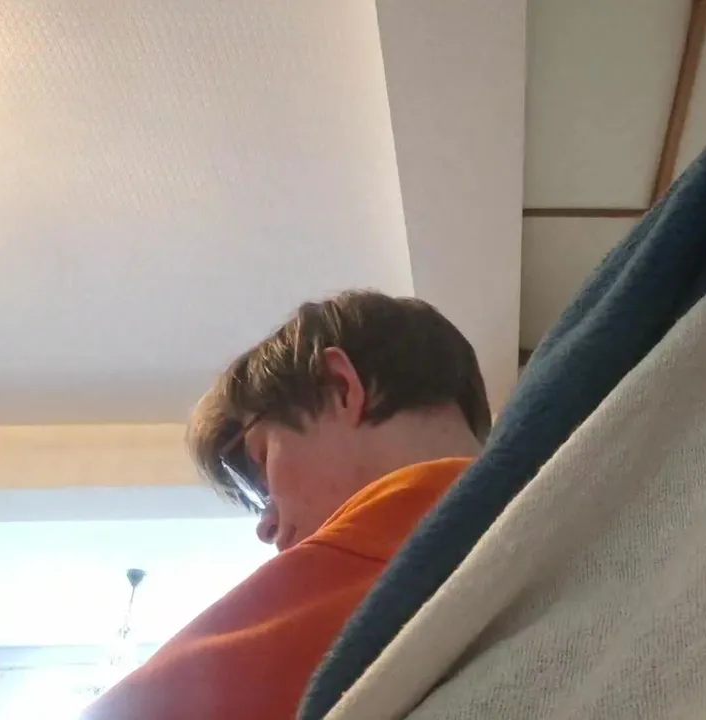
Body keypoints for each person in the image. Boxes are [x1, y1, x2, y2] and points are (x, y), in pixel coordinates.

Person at [85, 290, 491, 720]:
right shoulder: (526, 517)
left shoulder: (371, 554)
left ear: (340, 388)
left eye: (262, 462)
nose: (267, 527)